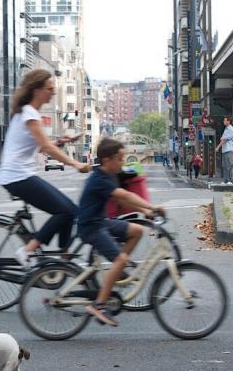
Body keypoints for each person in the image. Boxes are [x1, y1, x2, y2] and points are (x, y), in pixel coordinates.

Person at [0, 69, 91, 266]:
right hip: (18, 176)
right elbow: (45, 146)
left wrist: (60, 141)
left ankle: (63, 260)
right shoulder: (29, 113)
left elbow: (39, 145)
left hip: (19, 175)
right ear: (37, 89)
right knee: (65, 212)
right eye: (50, 89)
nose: (53, 93)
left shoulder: (26, 112)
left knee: (70, 210)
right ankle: (27, 251)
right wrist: (76, 164)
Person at [78, 138, 166, 326]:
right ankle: (99, 305)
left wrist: (146, 212)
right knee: (120, 260)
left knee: (137, 230)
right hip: (91, 227)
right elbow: (125, 195)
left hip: (101, 222)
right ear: (107, 160)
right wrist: (153, 206)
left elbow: (121, 201)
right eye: (119, 158)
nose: (123, 162)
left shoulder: (108, 175)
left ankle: (117, 270)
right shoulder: (99, 178)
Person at [215, 116, 233, 184]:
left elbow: (224, 139)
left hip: (229, 149)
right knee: (224, 165)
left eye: (225, 120)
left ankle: (231, 180)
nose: (223, 121)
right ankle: (226, 180)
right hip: (225, 150)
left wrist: (218, 147)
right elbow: (222, 138)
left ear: (228, 121)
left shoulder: (230, 129)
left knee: (229, 165)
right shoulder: (226, 129)